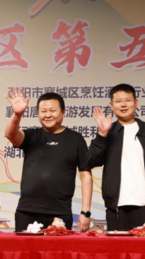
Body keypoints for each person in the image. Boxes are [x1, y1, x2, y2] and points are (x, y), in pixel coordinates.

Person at [86, 84, 145, 230]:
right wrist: (102, 134)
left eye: (128, 100)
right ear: (111, 105)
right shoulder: (108, 132)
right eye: (118, 101)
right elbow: (90, 161)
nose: (123, 105)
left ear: (136, 103)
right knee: (118, 245)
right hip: (117, 206)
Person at [5, 89, 92, 231]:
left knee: (58, 246)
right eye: (43, 111)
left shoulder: (75, 139)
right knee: (24, 246)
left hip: (60, 212)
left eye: (52, 110)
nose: (48, 115)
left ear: (63, 112)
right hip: (27, 210)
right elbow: (10, 135)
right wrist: (17, 114)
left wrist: (85, 212)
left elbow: (85, 175)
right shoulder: (31, 135)